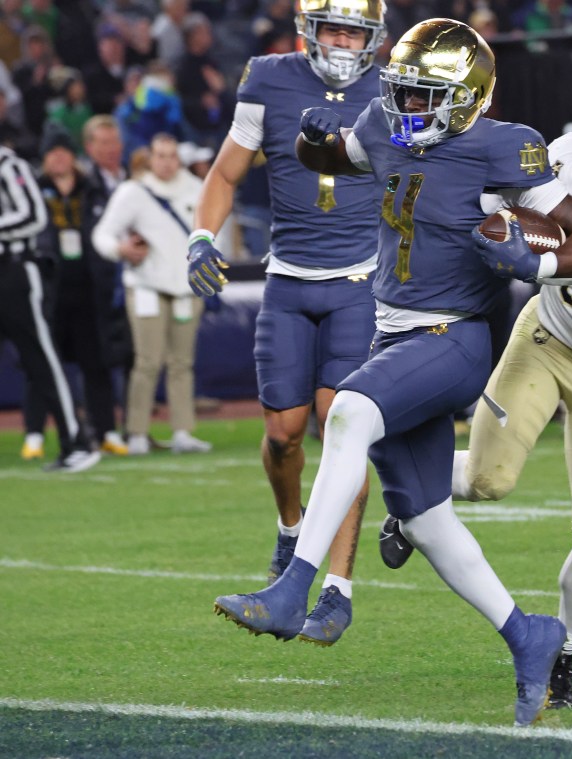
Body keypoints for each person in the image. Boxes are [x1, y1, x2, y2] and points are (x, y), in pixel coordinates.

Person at [206, 18, 572, 727]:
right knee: (426, 520)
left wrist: (537, 263)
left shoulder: (502, 146)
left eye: (427, 97)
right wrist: (309, 139)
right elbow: (334, 157)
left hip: (454, 338)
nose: (409, 109)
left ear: (470, 99)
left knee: (349, 412)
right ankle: (529, 633)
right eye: (404, 93)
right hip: (393, 333)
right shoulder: (385, 122)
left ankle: (292, 585)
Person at [381, 79, 572, 711]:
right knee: (489, 480)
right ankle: (409, 502)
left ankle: (564, 653)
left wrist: (537, 262)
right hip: (544, 340)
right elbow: (498, 197)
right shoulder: (564, 154)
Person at [187, 1, 388, 643]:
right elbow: (225, 170)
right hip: (288, 280)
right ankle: (291, 528)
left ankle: (337, 591)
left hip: (360, 281)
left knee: (343, 432)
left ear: (372, 36)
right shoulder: (268, 78)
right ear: (307, 29)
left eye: (353, 30)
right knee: (283, 435)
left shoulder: (393, 87)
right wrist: (200, 236)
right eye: (331, 26)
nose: (341, 40)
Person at [92, 132, 211, 456]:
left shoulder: (196, 188)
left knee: (181, 363)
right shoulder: (134, 192)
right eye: (160, 155)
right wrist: (120, 249)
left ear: (179, 159)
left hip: (187, 288)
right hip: (146, 287)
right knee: (147, 362)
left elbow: (214, 232)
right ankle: (137, 433)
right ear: (150, 157)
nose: (167, 162)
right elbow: (102, 233)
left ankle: (183, 431)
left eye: (172, 156)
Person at [23, 125, 132, 459]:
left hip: (88, 290)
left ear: (73, 155)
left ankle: (106, 431)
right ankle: (35, 436)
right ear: (44, 157)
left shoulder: (92, 188)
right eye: (52, 152)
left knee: (96, 364)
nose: (58, 157)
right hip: (47, 290)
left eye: (63, 151)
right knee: (41, 364)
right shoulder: (32, 189)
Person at [0, 141, 100, 473]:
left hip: (14, 272)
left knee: (41, 358)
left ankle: (77, 441)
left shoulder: (9, 166)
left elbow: (33, 214)